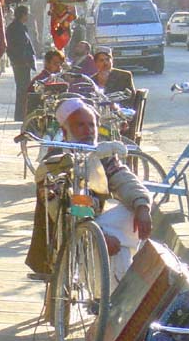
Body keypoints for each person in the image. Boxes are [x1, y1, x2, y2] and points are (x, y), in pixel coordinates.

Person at [25, 98, 152, 293]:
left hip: (94, 223)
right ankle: (106, 298)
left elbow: (123, 178)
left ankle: (112, 300)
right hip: (66, 230)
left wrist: (142, 205)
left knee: (129, 217)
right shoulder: (54, 163)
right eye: (80, 125)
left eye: (91, 125)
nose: (88, 130)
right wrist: (99, 236)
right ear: (65, 131)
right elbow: (63, 205)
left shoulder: (101, 155)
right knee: (111, 248)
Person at [5, 5, 36, 121]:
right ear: (23, 15)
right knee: (23, 89)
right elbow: (17, 47)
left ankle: (21, 114)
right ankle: (20, 115)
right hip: (20, 63)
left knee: (23, 89)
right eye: (27, 14)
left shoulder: (19, 27)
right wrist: (23, 60)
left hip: (21, 62)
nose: (28, 16)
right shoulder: (16, 28)